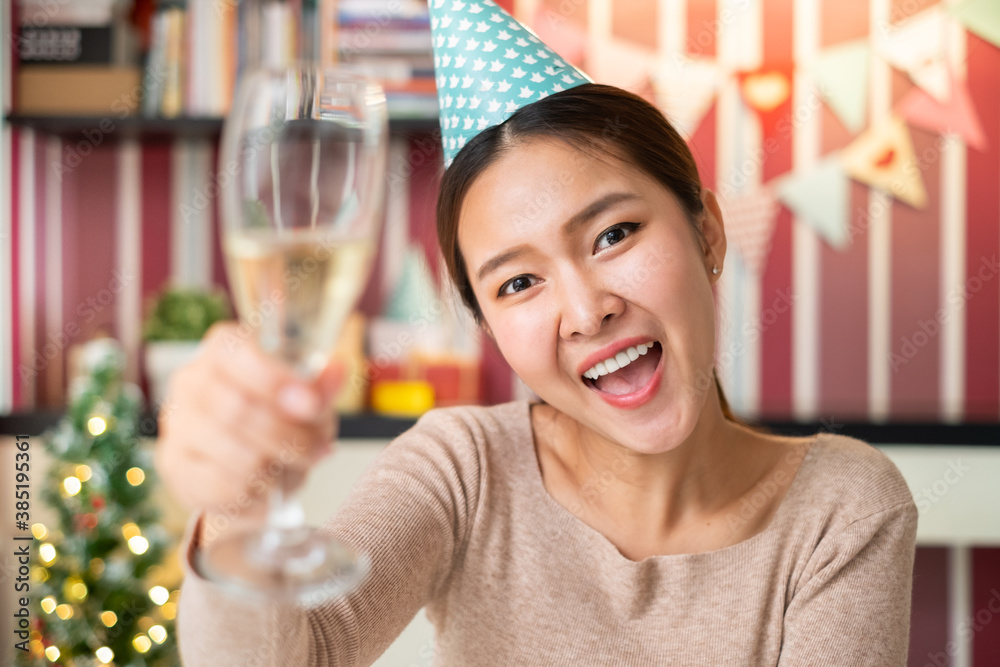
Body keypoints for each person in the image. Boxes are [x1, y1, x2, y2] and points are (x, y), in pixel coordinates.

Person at [158, 3, 917, 665]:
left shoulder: (842, 507)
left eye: (614, 233)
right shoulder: (463, 469)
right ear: (487, 326)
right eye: (518, 282)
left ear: (708, 233)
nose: (587, 311)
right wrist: (237, 511)